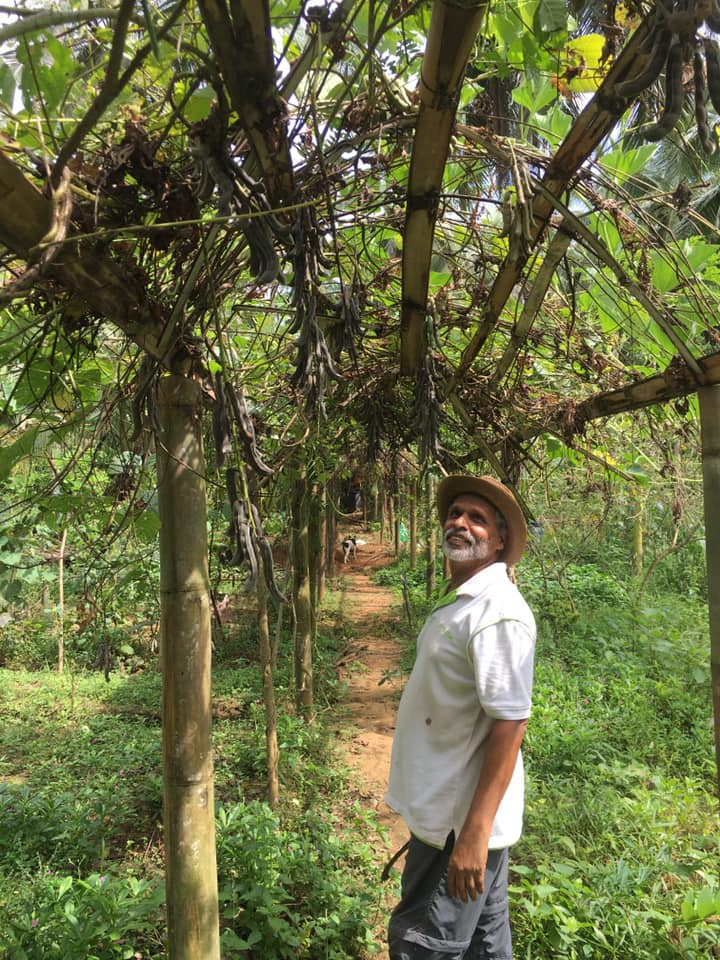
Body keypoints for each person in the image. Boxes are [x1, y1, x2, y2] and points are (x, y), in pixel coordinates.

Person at [385, 474, 536, 960]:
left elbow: (511, 724)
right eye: (455, 514)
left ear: (499, 539)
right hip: (453, 814)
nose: (460, 523)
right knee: (485, 946)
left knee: (423, 945)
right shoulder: (467, 600)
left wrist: (471, 836)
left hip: (457, 826)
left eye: (477, 518)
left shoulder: (498, 613)